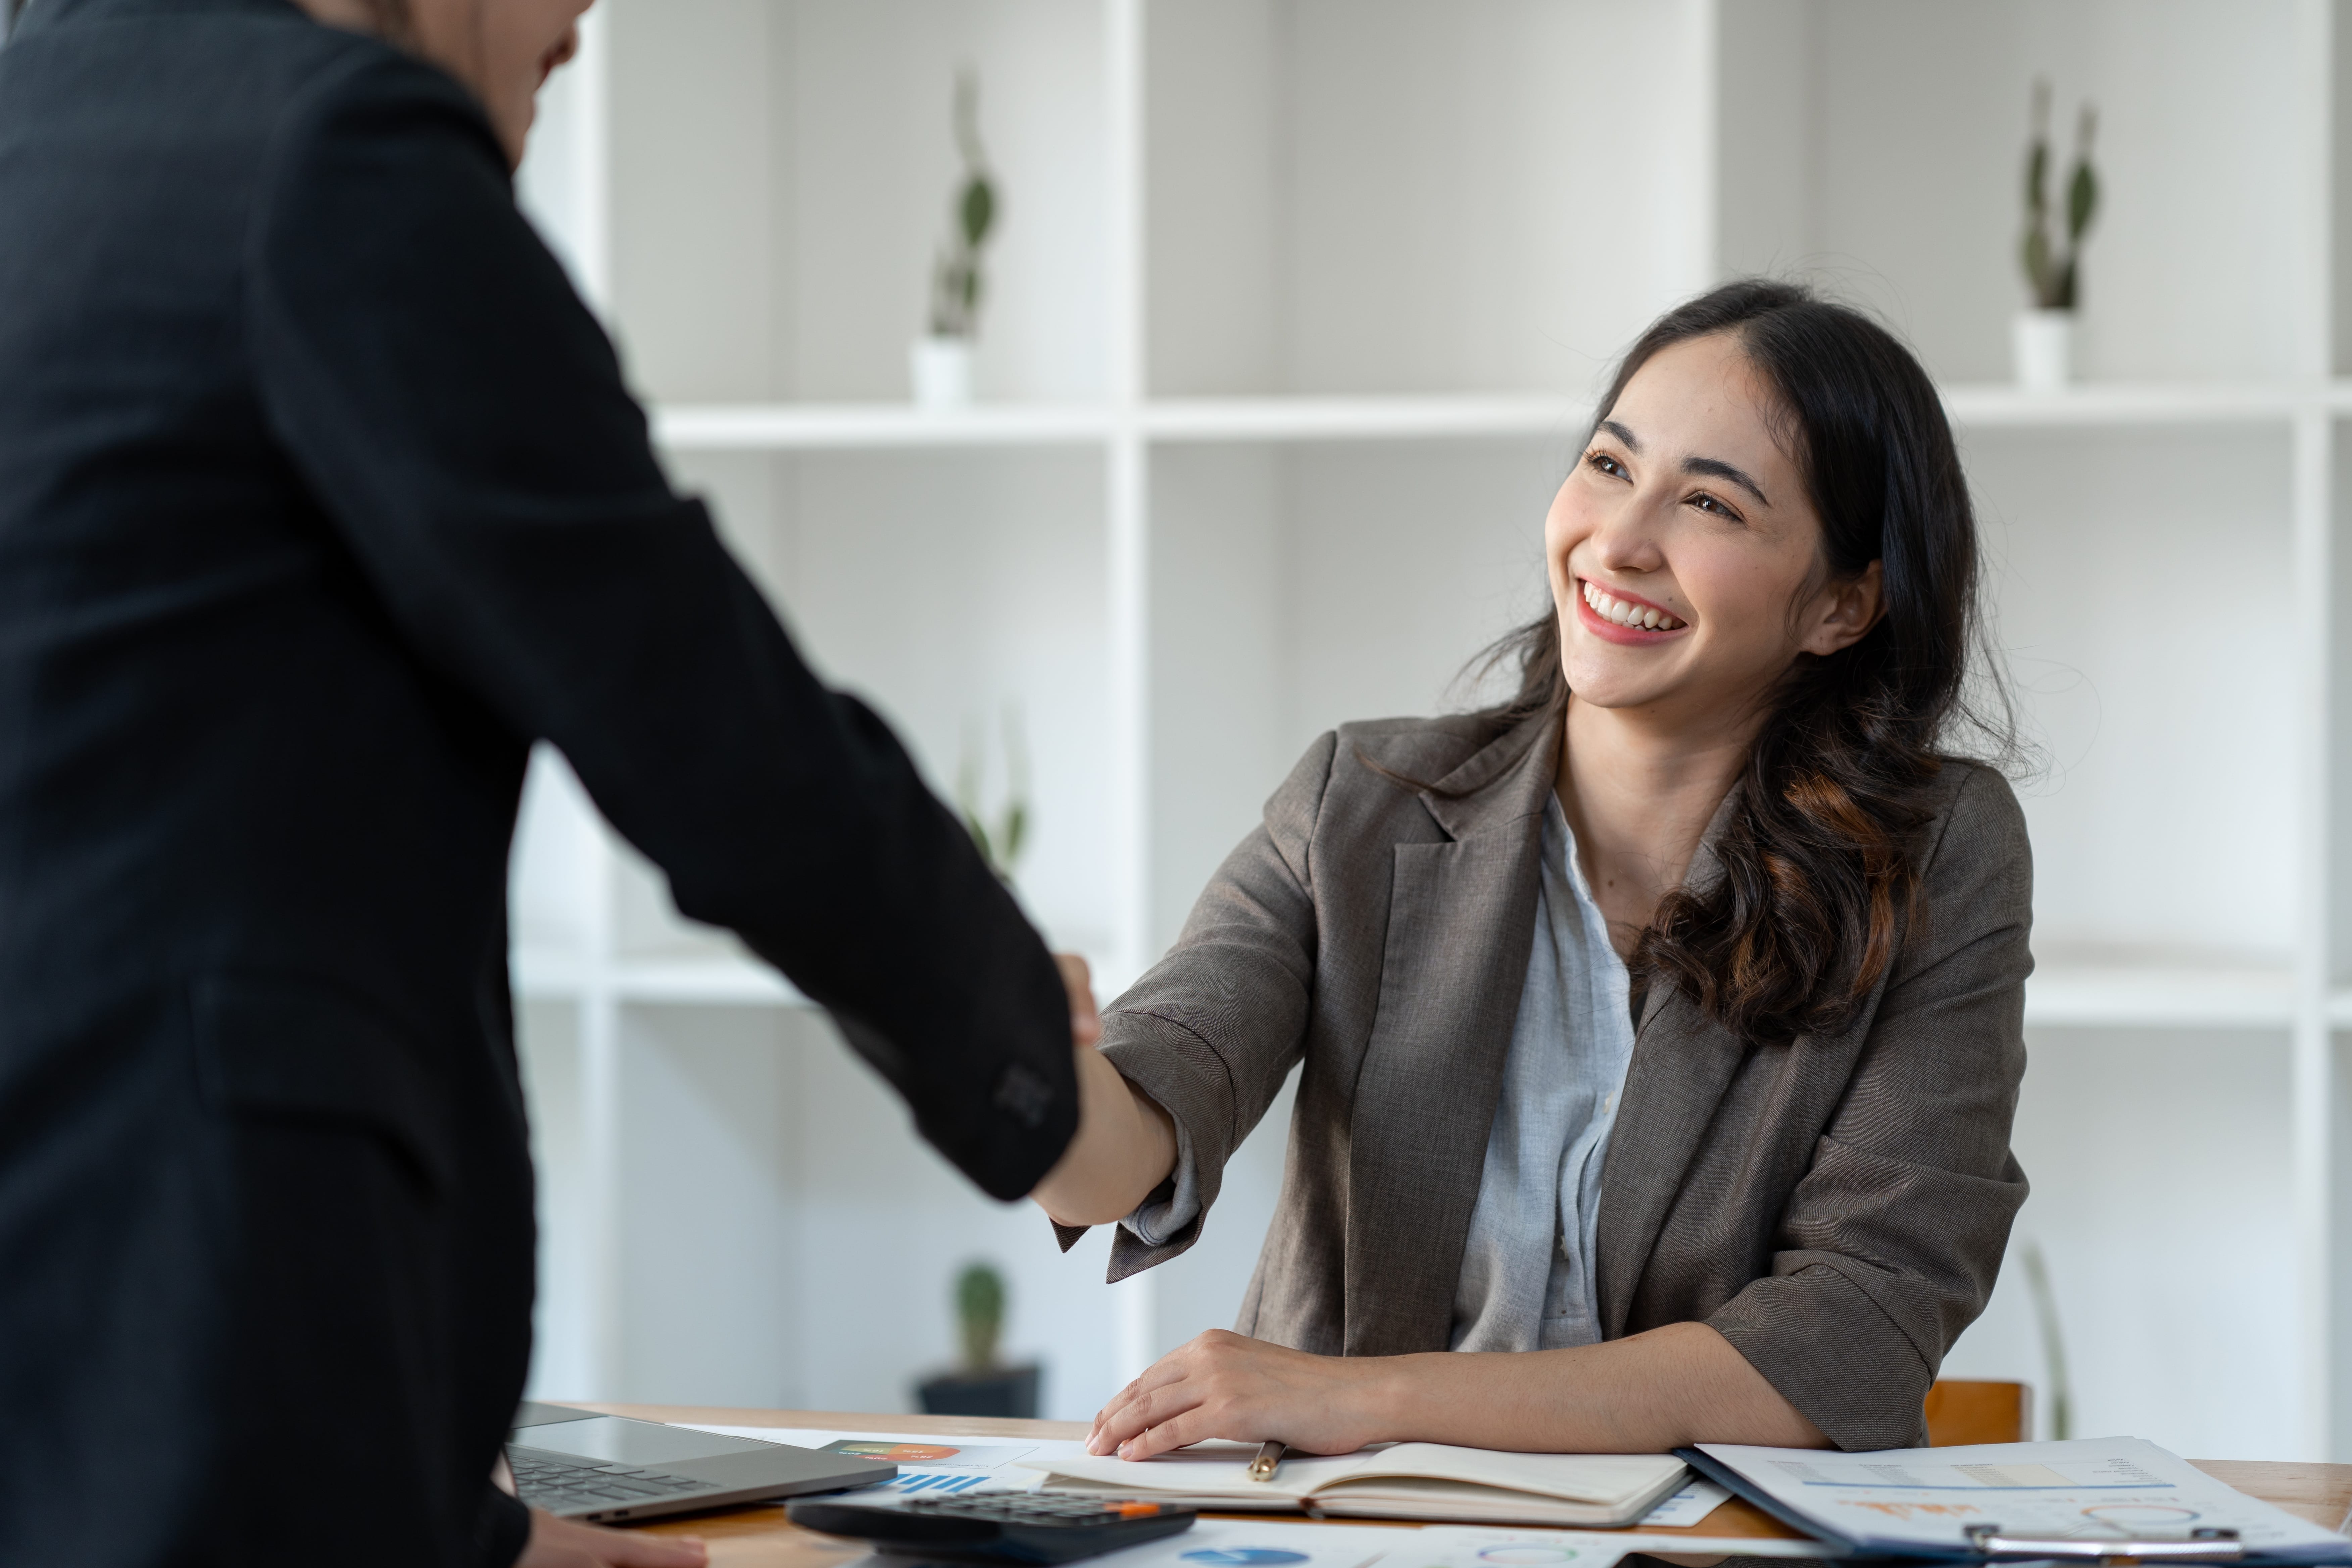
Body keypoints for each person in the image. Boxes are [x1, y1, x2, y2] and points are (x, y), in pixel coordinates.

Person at [0, 1, 1120, 1565]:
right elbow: (688, 696)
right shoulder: (337, 158)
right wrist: (1041, 1080)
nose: (585, 25)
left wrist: (481, 1534)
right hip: (200, 1329)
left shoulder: (40, 112)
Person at [1033, 281, 2033, 1460]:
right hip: (1357, 1539)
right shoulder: (1360, 806)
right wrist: (1041, 1076)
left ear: (1843, 604)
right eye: (1610, 467)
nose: (1618, 540)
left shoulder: (1932, 854)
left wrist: (1364, 1399)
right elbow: (1143, 1121)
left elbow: (1854, 1333)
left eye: (1709, 502)